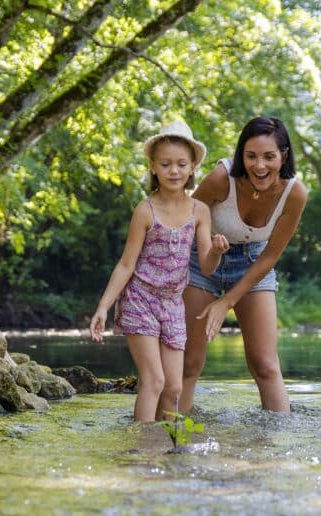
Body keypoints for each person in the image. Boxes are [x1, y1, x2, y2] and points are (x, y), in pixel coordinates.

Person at [90, 120, 230, 422]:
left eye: (181, 164)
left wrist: (216, 252)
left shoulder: (199, 212)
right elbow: (126, 264)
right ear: (154, 167)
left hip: (172, 305)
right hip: (140, 299)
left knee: (174, 388)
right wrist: (104, 306)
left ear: (192, 167)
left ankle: (170, 455)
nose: (174, 171)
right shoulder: (145, 210)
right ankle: (143, 452)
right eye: (166, 164)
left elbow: (206, 265)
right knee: (154, 381)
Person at [181, 116, 309, 413]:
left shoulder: (295, 194)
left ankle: (276, 449)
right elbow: (186, 219)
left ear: (284, 156)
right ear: (241, 155)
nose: (259, 166)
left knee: (265, 365)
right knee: (189, 362)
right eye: (251, 156)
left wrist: (226, 301)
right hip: (203, 262)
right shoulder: (220, 178)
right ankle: (173, 440)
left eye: (269, 157)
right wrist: (208, 240)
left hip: (255, 263)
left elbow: (270, 256)